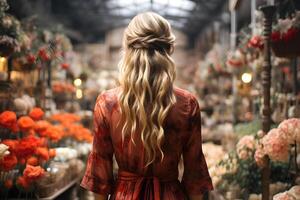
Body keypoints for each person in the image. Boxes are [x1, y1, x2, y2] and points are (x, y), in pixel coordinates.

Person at [81, 12, 213, 200]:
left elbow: (99, 180)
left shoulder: (107, 103)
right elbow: (194, 180)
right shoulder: (187, 104)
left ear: (127, 48)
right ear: (170, 49)